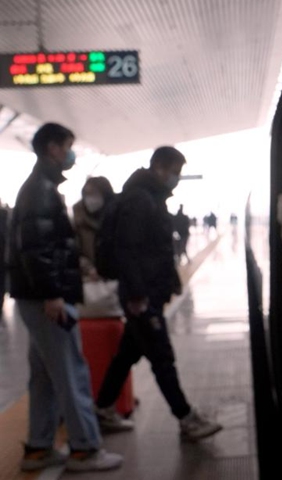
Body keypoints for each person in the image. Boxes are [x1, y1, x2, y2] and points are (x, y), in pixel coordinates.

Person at [8, 123, 123, 472]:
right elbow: (36, 249)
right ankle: (85, 448)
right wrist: (53, 293)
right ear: (52, 148)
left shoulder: (39, 187)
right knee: (71, 371)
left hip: (37, 297)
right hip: (47, 299)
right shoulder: (40, 191)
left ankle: (39, 449)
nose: (72, 154)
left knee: (45, 374)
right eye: (68, 146)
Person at [94, 146, 222, 441]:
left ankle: (102, 408)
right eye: (175, 171)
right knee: (162, 357)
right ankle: (186, 418)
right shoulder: (140, 200)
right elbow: (128, 250)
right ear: (161, 168)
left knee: (126, 354)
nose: (176, 178)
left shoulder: (150, 197)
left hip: (148, 292)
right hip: (142, 297)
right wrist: (138, 295)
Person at [73, 177, 116, 279]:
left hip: (115, 278)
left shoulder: (116, 218)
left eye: (94, 194)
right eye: (86, 194)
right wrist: (88, 268)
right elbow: (75, 251)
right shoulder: (78, 221)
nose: (90, 199)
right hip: (90, 280)